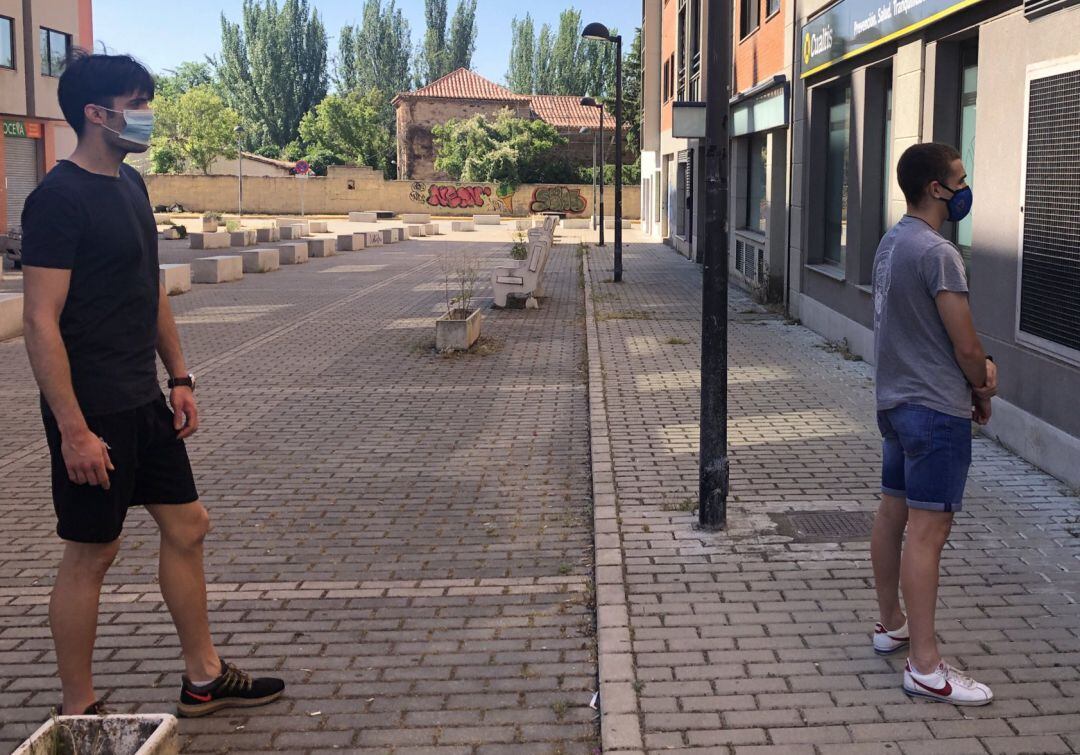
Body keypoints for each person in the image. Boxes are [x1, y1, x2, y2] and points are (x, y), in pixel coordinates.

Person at [20, 51, 284, 718]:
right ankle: (78, 708)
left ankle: (204, 677)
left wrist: (182, 376)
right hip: (93, 406)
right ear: (96, 113)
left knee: (189, 524)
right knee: (93, 551)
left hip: (144, 396)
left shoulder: (131, 185)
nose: (146, 116)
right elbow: (39, 321)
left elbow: (151, 290)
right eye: (136, 103)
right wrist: (74, 428)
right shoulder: (57, 198)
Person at [869, 142, 997, 706]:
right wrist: (984, 378)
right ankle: (925, 665)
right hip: (934, 411)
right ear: (935, 189)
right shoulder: (939, 252)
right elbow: (965, 342)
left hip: (896, 405)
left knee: (892, 512)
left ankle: (891, 623)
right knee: (928, 533)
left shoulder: (891, 243)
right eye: (958, 179)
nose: (965, 188)